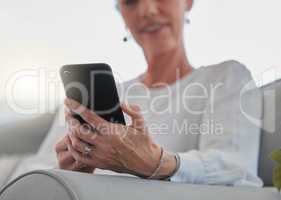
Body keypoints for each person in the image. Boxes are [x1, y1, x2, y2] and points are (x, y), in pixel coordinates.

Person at [55, 0, 263, 186]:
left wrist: (156, 162)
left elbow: (236, 168)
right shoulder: (98, 96)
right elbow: (37, 168)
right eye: (130, 2)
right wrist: (71, 176)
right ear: (122, 15)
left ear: (188, 2)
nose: (148, 10)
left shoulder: (226, 77)